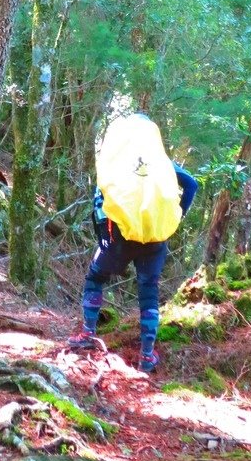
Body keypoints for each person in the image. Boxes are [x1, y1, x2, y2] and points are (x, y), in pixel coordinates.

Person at [67, 128, 199, 373]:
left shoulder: (118, 160)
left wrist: (104, 234)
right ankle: (146, 356)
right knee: (149, 292)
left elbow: (101, 198)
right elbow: (191, 185)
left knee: (96, 277)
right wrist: (176, 216)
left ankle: (87, 333)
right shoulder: (162, 163)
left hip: (120, 236)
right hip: (156, 238)